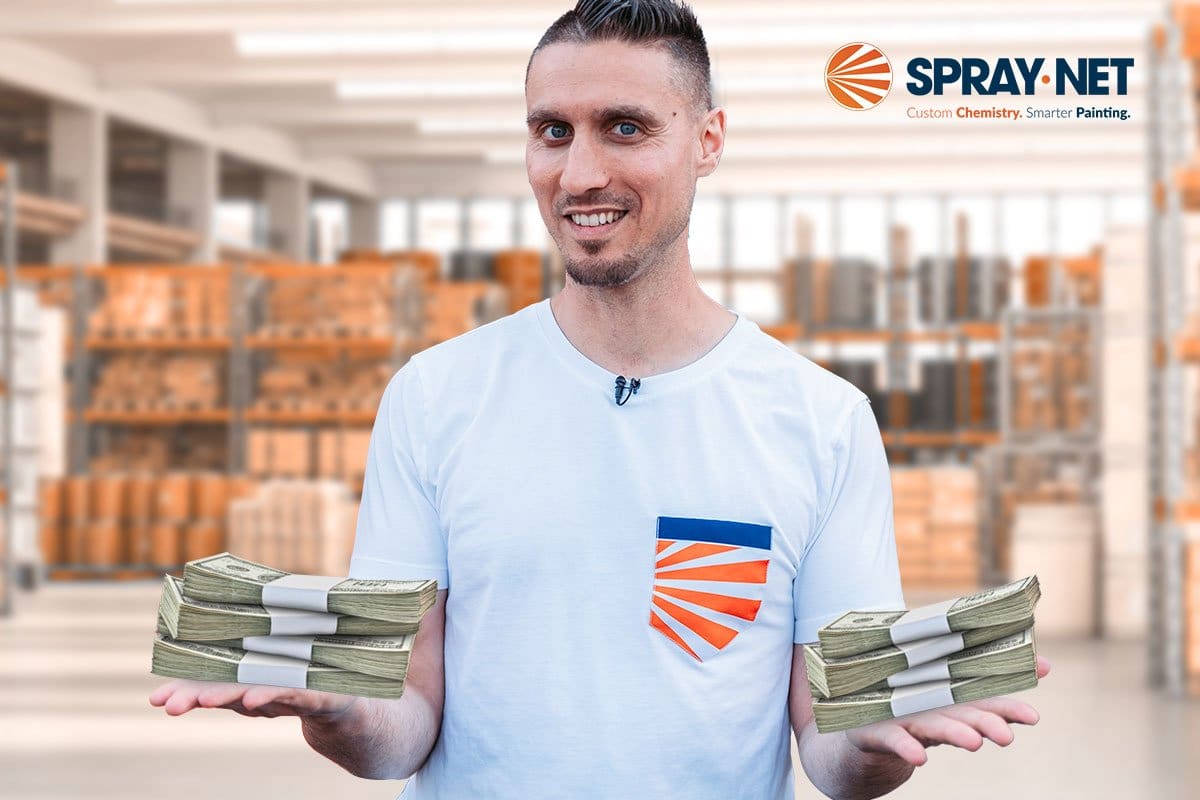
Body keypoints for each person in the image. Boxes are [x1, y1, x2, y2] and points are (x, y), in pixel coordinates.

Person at [151, 1, 1051, 797]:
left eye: (624, 127)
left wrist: (878, 747)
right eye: (552, 131)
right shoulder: (437, 397)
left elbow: (829, 744)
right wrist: (338, 709)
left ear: (708, 140)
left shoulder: (818, 420)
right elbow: (404, 729)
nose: (578, 174)